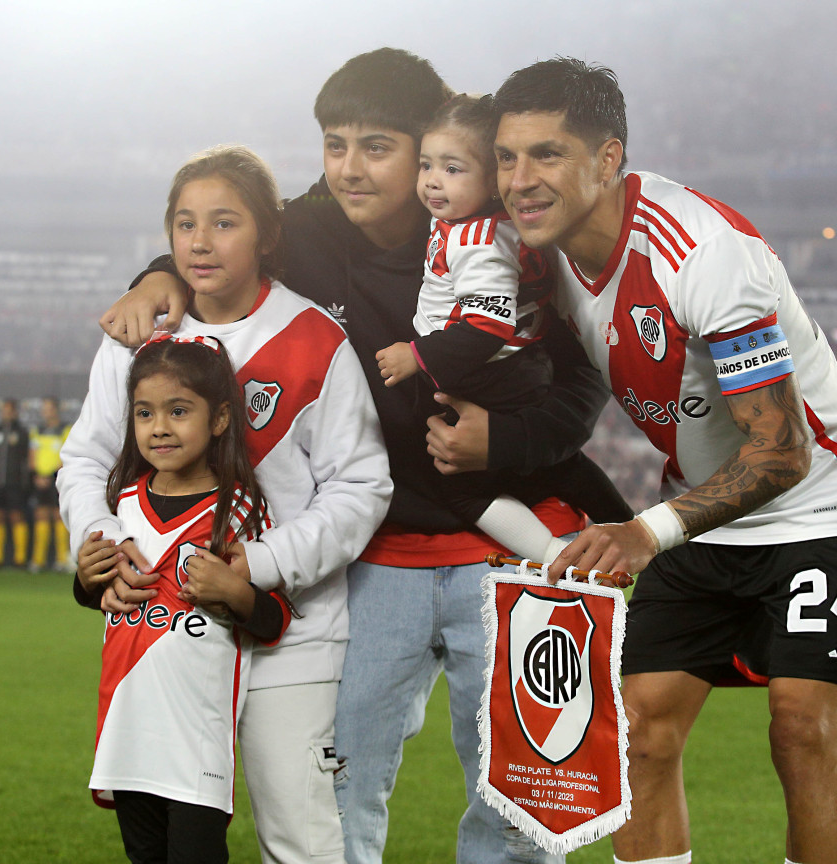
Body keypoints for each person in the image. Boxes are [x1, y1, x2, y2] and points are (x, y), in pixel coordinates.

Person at [99, 49, 608, 864]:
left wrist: (502, 440)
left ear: (431, 149)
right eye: (335, 144)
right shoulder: (308, 232)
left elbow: (584, 374)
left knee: (520, 797)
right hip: (378, 561)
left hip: (514, 544)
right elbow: (222, 236)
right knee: (338, 788)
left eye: (378, 146)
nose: (350, 168)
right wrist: (156, 273)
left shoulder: (513, 237)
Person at [492, 59, 837, 864]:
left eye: (546, 154)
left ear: (608, 160)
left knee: (801, 729)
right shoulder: (540, 252)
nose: (518, 181)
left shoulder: (703, 253)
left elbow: (782, 452)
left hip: (822, 499)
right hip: (705, 506)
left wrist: (647, 531)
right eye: (506, 157)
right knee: (639, 730)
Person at [60, 144, 391, 864]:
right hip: (165, 633)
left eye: (224, 223)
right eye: (184, 224)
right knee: (165, 844)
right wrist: (99, 539)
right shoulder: (138, 334)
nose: (200, 243)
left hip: (290, 636)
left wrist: (262, 564)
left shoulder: (315, 339)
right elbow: (86, 458)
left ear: (268, 235)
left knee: (297, 836)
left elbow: (362, 486)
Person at [375, 93, 631, 563]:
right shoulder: (476, 222)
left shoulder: (479, 241)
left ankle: (553, 556)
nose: (433, 181)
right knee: (561, 467)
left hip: (494, 374)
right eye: (427, 165)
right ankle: (631, 530)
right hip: (521, 368)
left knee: (462, 490)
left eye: (453, 169)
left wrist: (417, 356)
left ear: (493, 182)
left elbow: (487, 328)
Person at [74, 334, 292, 864]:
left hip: (195, 733)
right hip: (126, 723)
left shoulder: (239, 507)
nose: (159, 427)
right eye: (144, 413)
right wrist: (87, 578)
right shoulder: (119, 502)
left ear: (219, 420)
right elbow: (97, 595)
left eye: (178, 410)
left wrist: (234, 592)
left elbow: (274, 618)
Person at [0, 398, 32, 567]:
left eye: (9, 410)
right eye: (3, 410)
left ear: (15, 412)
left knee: (16, 517)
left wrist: (27, 482)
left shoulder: (22, 433)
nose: (6, 413)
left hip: (16, 484)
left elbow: (29, 459)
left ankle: (20, 559)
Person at [30, 397, 71, 572]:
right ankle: (38, 561)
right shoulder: (37, 430)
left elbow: (66, 454)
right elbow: (32, 454)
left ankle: (62, 559)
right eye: (43, 408)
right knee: (41, 515)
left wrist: (52, 476)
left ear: (56, 410)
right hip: (39, 480)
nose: (45, 412)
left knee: (58, 515)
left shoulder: (65, 429)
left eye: (48, 408)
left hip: (57, 479)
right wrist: (37, 475)